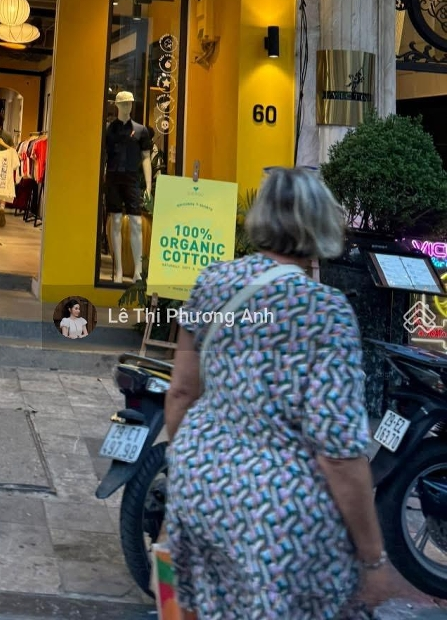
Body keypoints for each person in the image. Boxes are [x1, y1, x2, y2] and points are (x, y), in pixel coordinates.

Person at [164, 167, 415, 620]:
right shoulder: (325, 311)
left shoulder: (213, 282)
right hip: (278, 513)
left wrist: (190, 470)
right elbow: (338, 453)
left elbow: (181, 391)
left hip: (199, 485)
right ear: (319, 224)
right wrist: (374, 559)